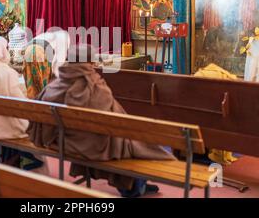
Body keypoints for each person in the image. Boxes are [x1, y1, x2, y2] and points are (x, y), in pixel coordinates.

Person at [27, 44, 176, 197]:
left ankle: (135, 184)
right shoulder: (94, 86)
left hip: (61, 141)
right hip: (89, 145)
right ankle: (134, 187)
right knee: (131, 142)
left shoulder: (54, 86)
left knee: (122, 140)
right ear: (90, 62)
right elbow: (116, 120)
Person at [0, 36, 45, 171]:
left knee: (5, 117)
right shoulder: (6, 73)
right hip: (2, 129)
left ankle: (7, 159)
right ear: (2, 52)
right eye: (6, 48)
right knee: (37, 126)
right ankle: (31, 169)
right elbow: (20, 106)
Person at [23, 30, 70, 99]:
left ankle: (32, 99)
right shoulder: (64, 38)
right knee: (44, 79)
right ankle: (42, 100)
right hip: (39, 50)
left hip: (28, 49)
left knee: (31, 78)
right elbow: (59, 61)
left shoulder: (50, 35)